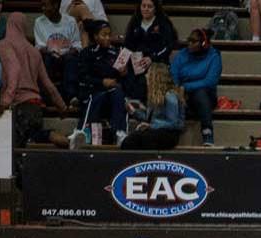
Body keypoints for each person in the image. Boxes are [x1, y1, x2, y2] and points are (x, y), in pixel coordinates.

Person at [0, 12, 69, 149]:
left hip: (19, 105)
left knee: (13, 150)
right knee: (32, 138)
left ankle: (51, 136)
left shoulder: (4, 44)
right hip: (35, 106)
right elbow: (48, 84)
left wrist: (5, 102)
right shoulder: (34, 50)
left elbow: (14, 70)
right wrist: (62, 107)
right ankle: (55, 136)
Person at [69, 20, 129, 149]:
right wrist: (102, 82)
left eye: (109, 34)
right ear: (96, 36)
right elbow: (83, 77)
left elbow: (121, 80)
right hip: (91, 91)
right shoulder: (87, 53)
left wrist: (123, 74)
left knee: (120, 94)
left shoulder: (115, 52)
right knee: (96, 97)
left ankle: (120, 133)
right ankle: (80, 132)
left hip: (110, 94)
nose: (108, 38)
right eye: (104, 35)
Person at [171, 28, 221, 146]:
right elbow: (174, 74)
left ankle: (207, 132)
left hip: (206, 95)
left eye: (194, 42)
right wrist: (178, 88)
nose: (190, 44)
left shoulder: (214, 56)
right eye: (189, 41)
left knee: (200, 93)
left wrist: (186, 86)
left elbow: (210, 81)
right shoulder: (182, 54)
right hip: (183, 94)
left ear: (204, 43)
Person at [121, 62, 185, 150]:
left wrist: (151, 126)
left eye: (149, 74)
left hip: (169, 134)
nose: (146, 76)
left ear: (156, 77)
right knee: (129, 141)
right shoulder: (155, 97)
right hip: (157, 131)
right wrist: (134, 111)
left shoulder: (170, 96)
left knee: (146, 139)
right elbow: (149, 119)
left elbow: (173, 123)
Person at [123, 0, 178, 100]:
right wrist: (123, 63)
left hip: (157, 63)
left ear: (155, 8)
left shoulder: (163, 23)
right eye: (143, 6)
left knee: (143, 82)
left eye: (149, 6)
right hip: (136, 64)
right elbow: (127, 46)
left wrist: (152, 58)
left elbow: (169, 46)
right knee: (127, 80)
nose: (146, 9)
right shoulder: (135, 22)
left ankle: (145, 111)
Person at [35, 0, 81, 105]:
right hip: (49, 56)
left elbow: (77, 45)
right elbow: (40, 46)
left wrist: (69, 53)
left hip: (67, 56)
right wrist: (52, 53)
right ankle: (45, 96)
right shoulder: (39, 22)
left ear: (55, 5)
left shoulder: (70, 21)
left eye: (45, 5)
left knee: (71, 59)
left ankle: (71, 97)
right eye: (41, 5)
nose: (42, 8)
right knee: (45, 59)